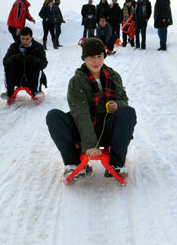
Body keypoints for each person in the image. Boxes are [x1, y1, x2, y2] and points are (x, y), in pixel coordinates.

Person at [46, 38, 136, 179]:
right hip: (83, 129)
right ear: (84, 59)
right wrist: (90, 144)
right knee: (53, 116)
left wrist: (117, 105)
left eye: (99, 56)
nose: (96, 61)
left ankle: (116, 164)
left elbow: (124, 100)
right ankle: (73, 163)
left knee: (128, 112)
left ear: (104, 56)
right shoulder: (77, 81)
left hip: (107, 127)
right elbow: (80, 113)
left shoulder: (113, 77)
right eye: (91, 57)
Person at [1, 27, 48, 100]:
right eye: (22, 38)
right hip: (18, 78)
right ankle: (9, 93)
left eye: (27, 39)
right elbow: (5, 61)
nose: (24, 41)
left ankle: (36, 91)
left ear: (31, 37)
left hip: (32, 78)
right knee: (9, 63)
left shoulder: (38, 47)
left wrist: (32, 59)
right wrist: (15, 57)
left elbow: (44, 63)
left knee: (38, 62)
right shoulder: (14, 46)